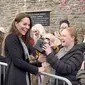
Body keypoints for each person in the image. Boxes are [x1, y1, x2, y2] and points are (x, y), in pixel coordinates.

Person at [1, 12, 44, 85]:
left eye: (29, 25)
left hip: (24, 77)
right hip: (15, 78)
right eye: (24, 24)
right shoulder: (11, 38)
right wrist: (36, 69)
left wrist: (38, 61)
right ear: (16, 23)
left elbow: (27, 60)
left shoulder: (24, 40)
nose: (27, 27)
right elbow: (17, 61)